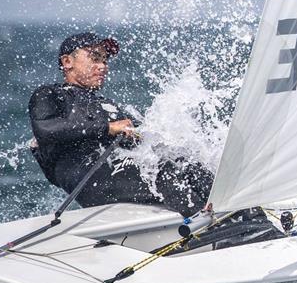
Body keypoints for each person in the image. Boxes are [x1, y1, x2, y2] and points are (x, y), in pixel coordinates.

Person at [29, 32, 214, 217]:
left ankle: (232, 217)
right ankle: (206, 230)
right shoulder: (50, 94)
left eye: (104, 60)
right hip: (89, 180)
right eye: (94, 58)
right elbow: (45, 130)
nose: (102, 66)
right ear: (67, 61)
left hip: (118, 169)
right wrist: (108, 128)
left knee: (188, 163)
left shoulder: (107, 105)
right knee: (161, 169)